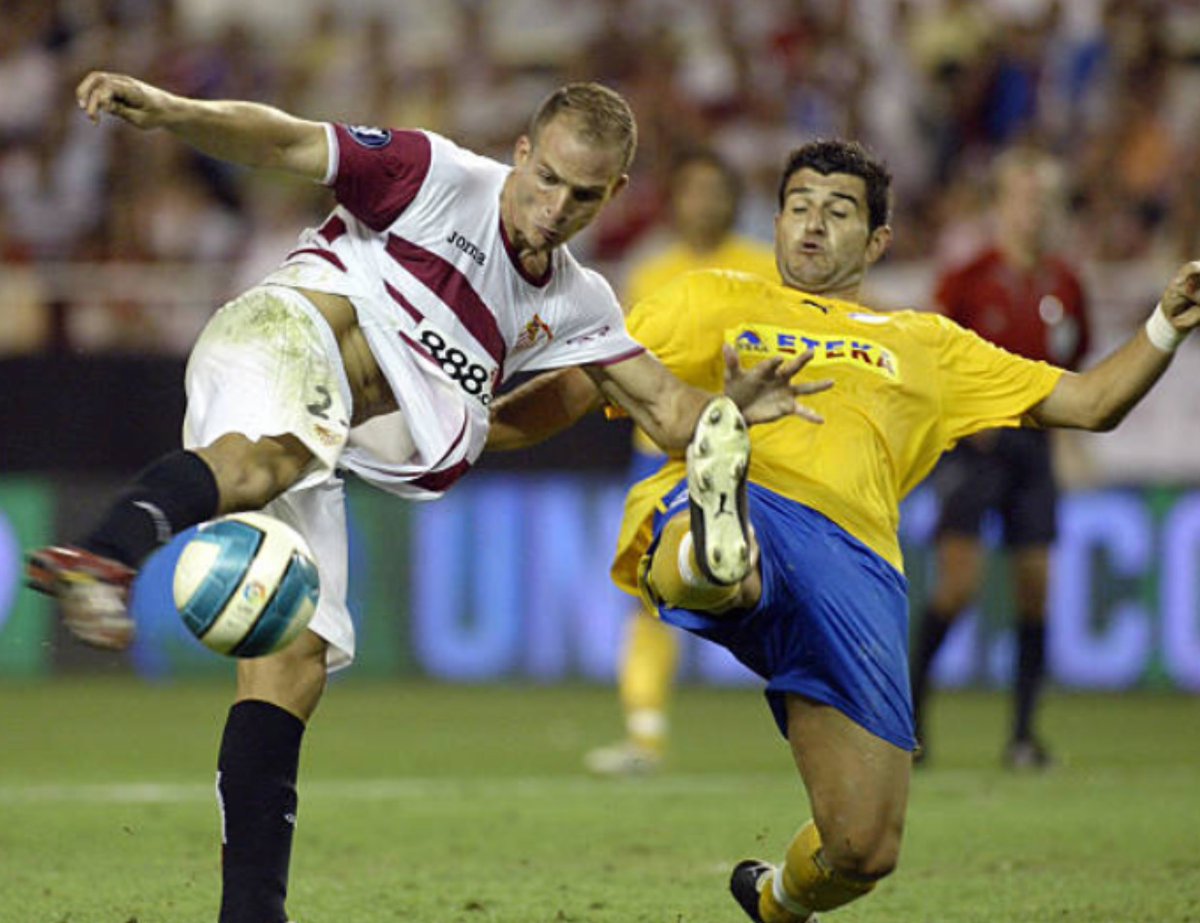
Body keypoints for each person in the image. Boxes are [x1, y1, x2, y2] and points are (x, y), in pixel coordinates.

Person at [25, 71, 821, 923]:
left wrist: (731, 408)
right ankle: (105, 554)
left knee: (292, 664)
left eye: (583, 195)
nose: (554, 207)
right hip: (277, 337)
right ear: (521, 152)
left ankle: (251, 913)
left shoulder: (576, 301)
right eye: (545, 177)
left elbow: (665, 409)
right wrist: (179, 113)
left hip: (326, 437)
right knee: (270, 460)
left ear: (616, 194)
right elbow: (289, 140)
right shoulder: (436, 176)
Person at [487, 138, 1200, 922]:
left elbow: (1092, 402)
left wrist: (1166, 323)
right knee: (732, 551)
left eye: (837, 211)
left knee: (865, 846)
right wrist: (471, 436)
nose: (811, 226)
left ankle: (776, 900)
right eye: (797, 207)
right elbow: (580, 389)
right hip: (754, 500)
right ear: (779, 220)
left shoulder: (927, 346)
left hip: (857, 567)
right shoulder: (711, 300)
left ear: (879, 239)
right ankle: (714, 541)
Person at [585, 147, 777, 777]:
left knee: (775, 585)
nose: (706, 204)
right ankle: (644, 734)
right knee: (650, 595)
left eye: (716, 191)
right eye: (693, 191)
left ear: (733, 199)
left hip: (753, 452)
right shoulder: (649, 271)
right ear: (677, 201)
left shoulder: (763, 271)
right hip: (662, 455)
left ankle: (809, 723)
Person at [909, 147, 1092, 770]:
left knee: (1035, 587)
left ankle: (1023, 736)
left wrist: (1067, 442)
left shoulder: (1066, 284)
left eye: (1041, 200)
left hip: (1034, 448)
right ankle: (909, 720)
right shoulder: (970, 276)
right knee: (957, 585)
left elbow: (1075, 370)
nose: (1031, 212)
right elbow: (932, 351)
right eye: (1021, 198)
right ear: (1000, 207)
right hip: (978, 444)